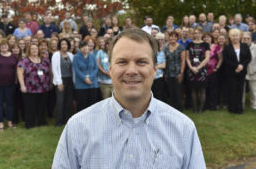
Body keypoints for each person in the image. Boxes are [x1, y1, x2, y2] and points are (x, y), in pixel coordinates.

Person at [52, 28, 206, 169]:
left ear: (154, 69)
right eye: (122, 62)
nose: (131, 70)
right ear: (110, 69)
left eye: (141, 61)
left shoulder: (183, 129)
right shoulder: (78, 128)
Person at [17, 43, 50, 128]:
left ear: (38, 50)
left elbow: (50, 72)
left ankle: (42, 122)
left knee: (42, 107)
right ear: (29, 51)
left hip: (43, 88)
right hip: (30, 88)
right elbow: (20, 73)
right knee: (30, 107)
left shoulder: (45, 60)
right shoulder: (25, 60)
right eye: (32, 49)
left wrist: (50, 84)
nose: (34, 50)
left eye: (36, 48)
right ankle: (30, 124)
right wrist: (22, 85)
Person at [0, 39, 18, 131]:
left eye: (5, 45)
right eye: (2, 46)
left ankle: (9, 122)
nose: (4, 47)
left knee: (10, 104)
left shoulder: (14, 57)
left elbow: (17, 71)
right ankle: (0, 124)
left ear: (8, 46)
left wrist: (16, 82)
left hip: (10, 84)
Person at [223, 29, 251, 114]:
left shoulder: (245, 46)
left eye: (236, 35)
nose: (235, 37)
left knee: (240, 90)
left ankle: (239, 108)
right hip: (231, 72)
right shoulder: (227, 47)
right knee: (232, 90)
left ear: (239, 36)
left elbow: (248, 58)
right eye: (233, 35)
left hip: (242, 72)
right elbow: (226, 60)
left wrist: (242, 65)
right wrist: (236, 66)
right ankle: (232, 108)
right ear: (230, 37)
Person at [186, 27, 210, 113]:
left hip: (202, 70)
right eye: (195, 33)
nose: (197, 35)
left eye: (198, 33)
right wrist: (191, 68)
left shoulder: (205, 45)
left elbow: (207, 58)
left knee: (202, 90)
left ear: (201, 34)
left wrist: (198, 67)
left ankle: (201, 109)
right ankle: (195, 108)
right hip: (191, 70)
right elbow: (187, 58)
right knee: (193, 90)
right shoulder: (189, 45)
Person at [51, 38, 75, 126]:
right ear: (59, 45)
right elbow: (54, 69)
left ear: (68, 45)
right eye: (62, 44)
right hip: (61, 80)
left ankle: (67, 120)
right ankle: (59, 121)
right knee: (60, 101)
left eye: (65, 44)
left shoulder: (70, 55)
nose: (64, 46)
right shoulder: (56, 55)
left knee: (68, 101)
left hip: (70, 80)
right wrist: (59, 82)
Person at [73, 41, 98, 112]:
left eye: (86, 46)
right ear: (79, 48)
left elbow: (96, 69)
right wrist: (85, 79)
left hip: (92, 84)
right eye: (82, 46)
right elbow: (76, 70)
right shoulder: (76, 57)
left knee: (92, 104)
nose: (85, 48)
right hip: (81, 85)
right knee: (82, 105)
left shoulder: (92, 56)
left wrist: (90, 78)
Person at [164, 31, 185, 110]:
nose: (173, 38)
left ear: (177, 38)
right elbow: (165, 60)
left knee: (178, 92)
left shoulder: (181, 47)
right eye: (171, 36)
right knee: (171, 92)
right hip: (169, 72)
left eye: (174, 36)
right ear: (169, 37)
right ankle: (172, 110)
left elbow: (183, 61)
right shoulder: (166, 47)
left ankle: (179, 109)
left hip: (178, 73)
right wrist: (165, 73)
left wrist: (181, 73)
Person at [241, 32, 256, 110]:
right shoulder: (239, 46)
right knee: (241, 90)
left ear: (251, 39)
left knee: (253, 90)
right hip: (242, 72)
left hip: (253, 71)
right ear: (242, 39)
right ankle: (241, 105)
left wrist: (255, 69)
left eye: (248, 38)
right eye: (244, 38)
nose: (246, 40)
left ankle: (254, 106)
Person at [203, 33, 222, 110]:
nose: (206, 39)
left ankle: (213, 105)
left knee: (213, 89)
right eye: (205, 37)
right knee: (205, 89)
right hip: (203, 71)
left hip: (213, 71)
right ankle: (206, 105)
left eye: (208, 37)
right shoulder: (202, 47)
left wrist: (216, 68)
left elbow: (221, 59)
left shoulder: (215, 47)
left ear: (211, 38)